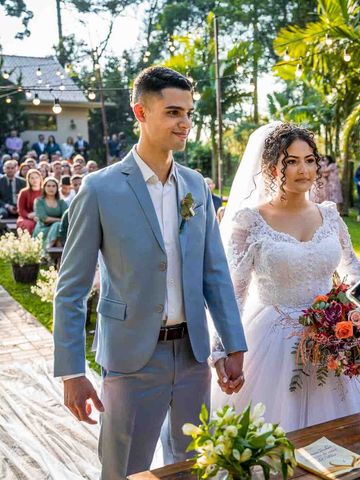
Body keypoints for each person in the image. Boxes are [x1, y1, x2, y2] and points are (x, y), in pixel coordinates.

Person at [53, 66, 247, 480]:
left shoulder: (195, 186)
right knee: (124, 469)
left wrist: (233, 344)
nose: (186, 123)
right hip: (130, 359)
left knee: (195, 466)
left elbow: (215, 273)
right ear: (141, 113)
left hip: (194, 355)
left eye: (190, 113)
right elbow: (70, 289)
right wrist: (72, 372)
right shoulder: (99, 189)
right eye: (174, 112)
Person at [211, 122, 360, 432]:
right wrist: (224, 349)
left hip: (336, 338)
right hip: (274, 342)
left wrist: (355, 314)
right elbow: (234, 293)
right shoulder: (250, 221)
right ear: (272, 167)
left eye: (310, 160)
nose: (304, 170)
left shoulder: (329, 214)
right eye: (292, 161)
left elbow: (353, 271)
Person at [33, 177, 67, 248]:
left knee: (58, 228)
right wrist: (59, 220)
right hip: (43, 228)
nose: (51, 188)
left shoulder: (61, 202)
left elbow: (66, 216)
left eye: (53, 186)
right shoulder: (39, 201)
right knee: (57, 226)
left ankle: (52, 252)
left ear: (57, 188)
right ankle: (48, 250)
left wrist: (60, 221)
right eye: (48, 186)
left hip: (58, 228)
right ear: (44, 187)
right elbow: (44, 218)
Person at [16, 169, 43, 234]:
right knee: (28, 225)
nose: (34, 180)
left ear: (40, 178)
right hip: (27, 217)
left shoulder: (45, 191)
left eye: (36, 177)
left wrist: (39, 216)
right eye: (32, 178)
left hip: (43, 216)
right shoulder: (24, 192)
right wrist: (28, 215)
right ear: (28, 179)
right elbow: (21, 209)